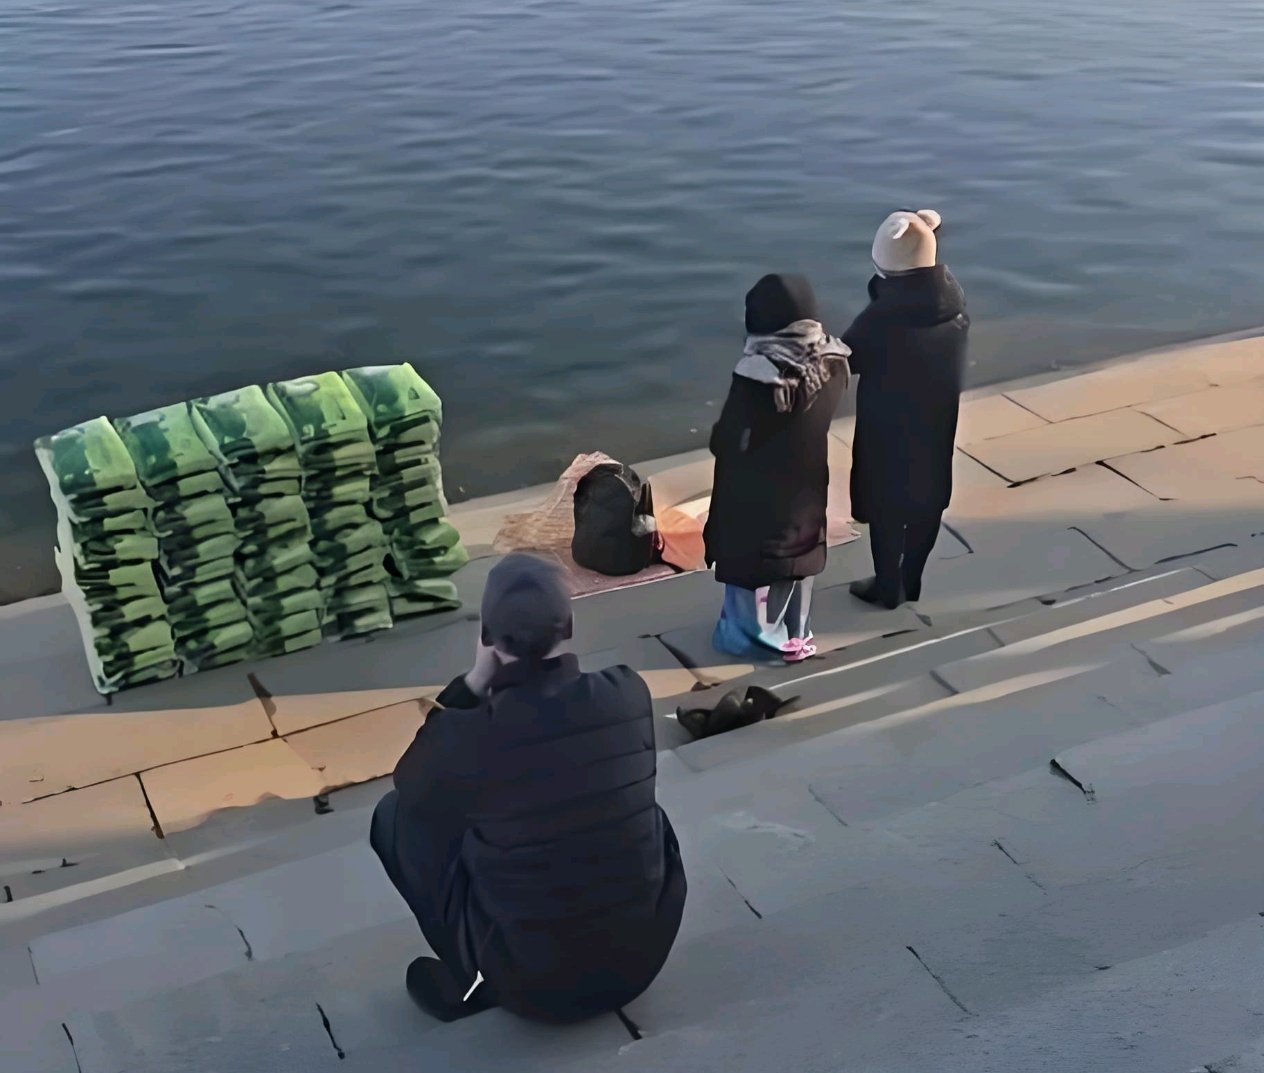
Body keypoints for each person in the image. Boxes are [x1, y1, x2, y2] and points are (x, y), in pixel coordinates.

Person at [369, 553, 687, 1024]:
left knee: (396, 816)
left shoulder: (467, 735)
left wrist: (474, 682)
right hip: (642, 962)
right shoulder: (626, 692)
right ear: (569, 625)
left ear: (486, 637)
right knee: (632, 802)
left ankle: (471, 975)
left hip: (531, 989)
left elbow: (410, 784)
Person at [703, 273, 851, 663]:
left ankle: (752, 642)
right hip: (806, 491)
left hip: (756, 500)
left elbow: (727, 440)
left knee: (755, 570)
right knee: (797, 563)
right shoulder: (832, 360)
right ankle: (795, 635)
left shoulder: (760, 375)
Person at [843, 209, 969, 610]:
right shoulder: (953, 304)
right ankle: (911, 579)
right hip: (936, 422)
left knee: (886, 508)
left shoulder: (881, 320)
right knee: (927, 501)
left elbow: (846, 359)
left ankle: (887, 585)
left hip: (888, 428)